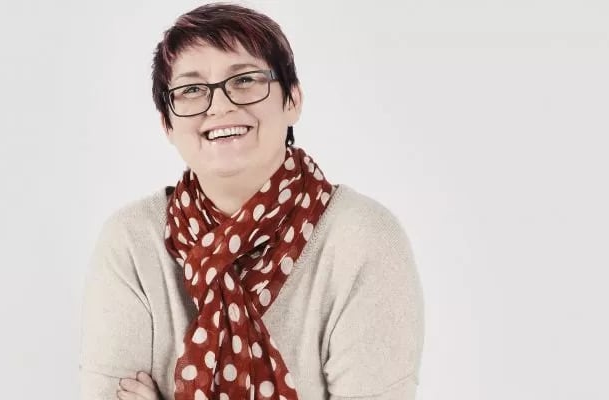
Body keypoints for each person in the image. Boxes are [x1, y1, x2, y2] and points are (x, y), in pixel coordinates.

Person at [80, 3, 424, 399]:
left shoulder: (362, 239)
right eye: (191, 89)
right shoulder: (133, 241)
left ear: (292, 99)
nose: (220, 105)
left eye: (244, 79)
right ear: (167, 124)